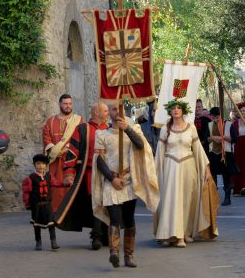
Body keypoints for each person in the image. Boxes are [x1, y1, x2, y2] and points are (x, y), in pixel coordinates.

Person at [92, 103, 159, 268]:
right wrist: (112, 178)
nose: (117, 111)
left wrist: (127, 129)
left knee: (129, 219)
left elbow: (142, 146)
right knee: (115, 218)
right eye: (114, 109)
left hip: (129, 181)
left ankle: (128, 255)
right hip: (111, 180)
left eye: (119, 108)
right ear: (109, 113)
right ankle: (114, 252)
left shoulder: (133, 129)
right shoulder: (102, 134)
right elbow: (99, 160)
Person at [154, 98, 218, 247]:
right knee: (172, 200)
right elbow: (159, 152)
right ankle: (173, 234)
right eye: (173, 108)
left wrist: (206, 168)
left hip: (188, 166)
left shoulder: (191, 128)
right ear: (170, 111)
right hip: (171, 167)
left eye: (178, 108)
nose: (176, 110)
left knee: (188, 199)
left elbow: (198, 150)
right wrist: (156, 171)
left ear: (183, 111)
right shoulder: (165, 129)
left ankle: (186, 232)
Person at [54, 102, 109, 250]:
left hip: (109, 174)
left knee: (108, 203)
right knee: (97, 202)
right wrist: (69, 174)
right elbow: (72, 152)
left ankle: (105, 235)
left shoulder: (110, 129)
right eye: (105, 111)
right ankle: (96, 236)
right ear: (96, 112)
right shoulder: (83, 129)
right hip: (90, 173)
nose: (108, 113)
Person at [42, 94, 83, 213]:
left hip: (70, 160)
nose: (68, 106)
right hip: (54, 161)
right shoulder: (50, 121)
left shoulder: (78, 121)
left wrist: (66, 149)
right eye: (65, 104)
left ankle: (70, 214)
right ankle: (55, 213)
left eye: (70, 104)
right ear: (60, 104)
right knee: (55, 188)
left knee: (70, 186)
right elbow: (46, 138)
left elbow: (80, 138)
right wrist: (54, 151)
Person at [22, 154, 68, 251]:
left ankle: (53, 241)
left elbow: (56, 183)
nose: (41, 166)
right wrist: (27, 203)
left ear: (46, 165)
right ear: (35, 165)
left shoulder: (49, 176)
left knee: (51, 223)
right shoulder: (30, 178)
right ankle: (38, 242)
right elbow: (26, 192)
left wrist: (65, 183)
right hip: (36, 206)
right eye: (38, 164)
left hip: (47, 205)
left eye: (43, 164)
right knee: (37, 225)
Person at [207, 107, 239, 206]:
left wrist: (223, 137)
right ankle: (214, 197)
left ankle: (227, 198)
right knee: (213, 177)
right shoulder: (209, 125)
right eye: (213, 117)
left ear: (220, 116)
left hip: (226, 154)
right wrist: (213, 138)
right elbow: (206, 139)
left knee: (226, 177)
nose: (215, 119)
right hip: (213, 153)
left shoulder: (229, 124)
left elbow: (235, 139)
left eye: (217, 117)